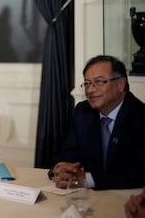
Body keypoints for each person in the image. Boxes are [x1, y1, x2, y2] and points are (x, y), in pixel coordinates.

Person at [50, 55, 145, 190]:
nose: (90, 90)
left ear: (120, 84)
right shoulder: (83, 112)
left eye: (99, 82)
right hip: (91, 199)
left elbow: (140, 173)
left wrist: (88, 180)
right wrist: (61, 169)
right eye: (87, 83)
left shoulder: (139, 116)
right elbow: (68, 155)